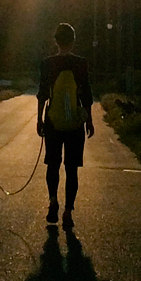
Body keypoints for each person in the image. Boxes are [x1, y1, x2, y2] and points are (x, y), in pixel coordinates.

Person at [36, 22, 94, 229]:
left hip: (53, 121)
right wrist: (89, 120)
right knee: (71, 169)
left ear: (56, 41)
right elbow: (86, 94)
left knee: (53, 164)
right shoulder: (81, 63)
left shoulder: (47, 63)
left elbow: (43, 93)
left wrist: (39, 119)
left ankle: (53, 200)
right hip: (75, 125)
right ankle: (68, 212)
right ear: (73, 40)